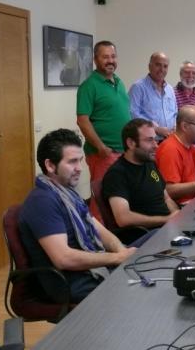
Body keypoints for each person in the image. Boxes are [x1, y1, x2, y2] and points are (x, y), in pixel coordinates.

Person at [19, 129, 137, 303]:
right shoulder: (42, 201)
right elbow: (63, 259)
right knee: (141, 292)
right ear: (50, 165)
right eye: (72, 162)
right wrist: (117, 258)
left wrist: (121, 251)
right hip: (72, 282)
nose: (79, 168)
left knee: (148, 257)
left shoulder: (67, 194)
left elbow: (97, 228)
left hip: (91, 270)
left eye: (80, 161)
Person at [76, 40, 130, 218]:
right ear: (95, 60)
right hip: (103, 154)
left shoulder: (119, 83)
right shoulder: (89, 86)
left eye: (113, 56)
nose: (110, 60)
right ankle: (97, 239)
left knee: (119, 196)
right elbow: (83, 121)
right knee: (102, 200)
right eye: (105, 57)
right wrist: (100, 147)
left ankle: (118, 236)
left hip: (122, 151)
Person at [103, 119, 180, 228]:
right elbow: (123, 218)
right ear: (131, 143)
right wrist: (167, 220)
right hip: (148, 235)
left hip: (167, 228)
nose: (156, 145)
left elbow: (166, 198)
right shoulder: (117, 174)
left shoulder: (149, 164)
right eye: (149, 140)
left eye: (155, 140)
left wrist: (179, 217)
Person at [129, 52, 178, 141]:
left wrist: (175, 126)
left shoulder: (170, 89)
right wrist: (156, 129)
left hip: (169, 140)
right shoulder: (138, 87)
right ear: (149, 66)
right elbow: (133, 113)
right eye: (158, 65)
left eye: (165, 66)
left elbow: (174, 112)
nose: (162, 69)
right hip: (148, 141)